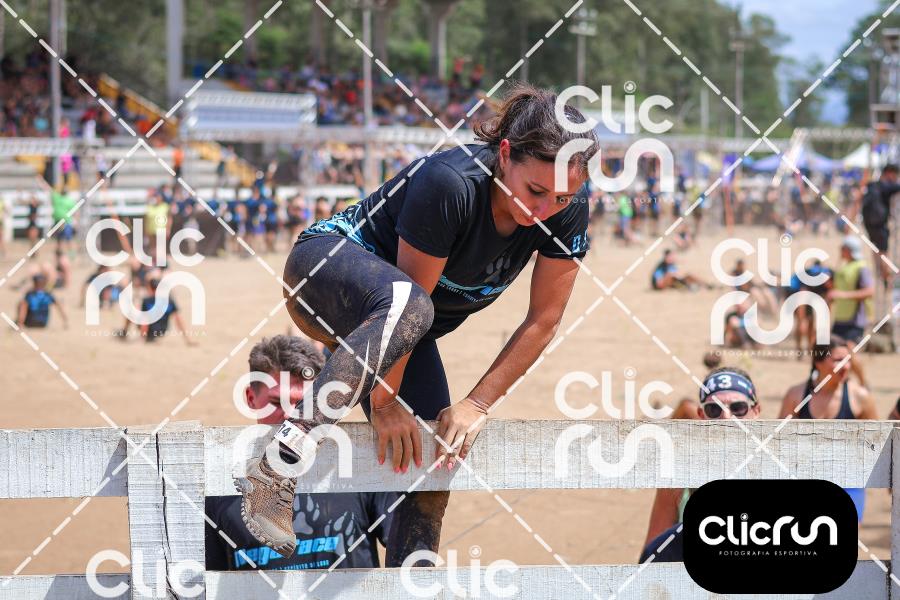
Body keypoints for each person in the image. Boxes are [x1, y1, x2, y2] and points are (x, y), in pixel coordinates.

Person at [236, 84, 597, 564]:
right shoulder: (450, 183)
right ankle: (276, 467)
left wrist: (476, 403)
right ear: (505, 153)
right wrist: (384, 404)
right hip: (321, 273)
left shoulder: (568, 209)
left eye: (561, 197)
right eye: (535, 191)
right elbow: (410, 303)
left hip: (400, 329)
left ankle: (412, 578)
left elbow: (544, 320)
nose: (544, 211)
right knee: (412, 309)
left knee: (431, 459)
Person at [206, 336, 397, 571]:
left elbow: (407, 547)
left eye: (302, 406)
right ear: (251, 398)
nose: (290, 416)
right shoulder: (220, 486)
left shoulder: (356, 467)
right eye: (277, 402)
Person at [641, 367, 761, 562]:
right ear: (701, 415)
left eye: (738, 408)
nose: (726, 417)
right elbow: (652, 557)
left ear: (756, 411)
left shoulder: (779, 466)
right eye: (714, 410)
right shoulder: (680, 472)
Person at [778, 335, 876, 521]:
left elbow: (876, 442)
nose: (846, 366)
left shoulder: (860, 397)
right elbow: (780, 442)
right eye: (838, 360)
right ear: (818, 362)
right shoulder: (796, 395)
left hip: (848, 481)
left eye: (848, 360)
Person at [828, 236, 874, 387]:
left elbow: (869, 291)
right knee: (835, 354)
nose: (840, 251)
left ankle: (863, 384)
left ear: (848, 250)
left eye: (842, 248)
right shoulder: (843, 268)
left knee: (850, 352)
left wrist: (842, 295)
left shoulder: (862, 268)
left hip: (855, 319)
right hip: (840, 318)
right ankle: (843, 385)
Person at [859, 164, 899, 282]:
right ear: (889, 173)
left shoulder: (872, 185)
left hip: (868, 224)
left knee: (876, 250)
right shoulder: (886, 186)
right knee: (883, 252)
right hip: (880, 224)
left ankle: (879, 274)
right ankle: (886, 278)